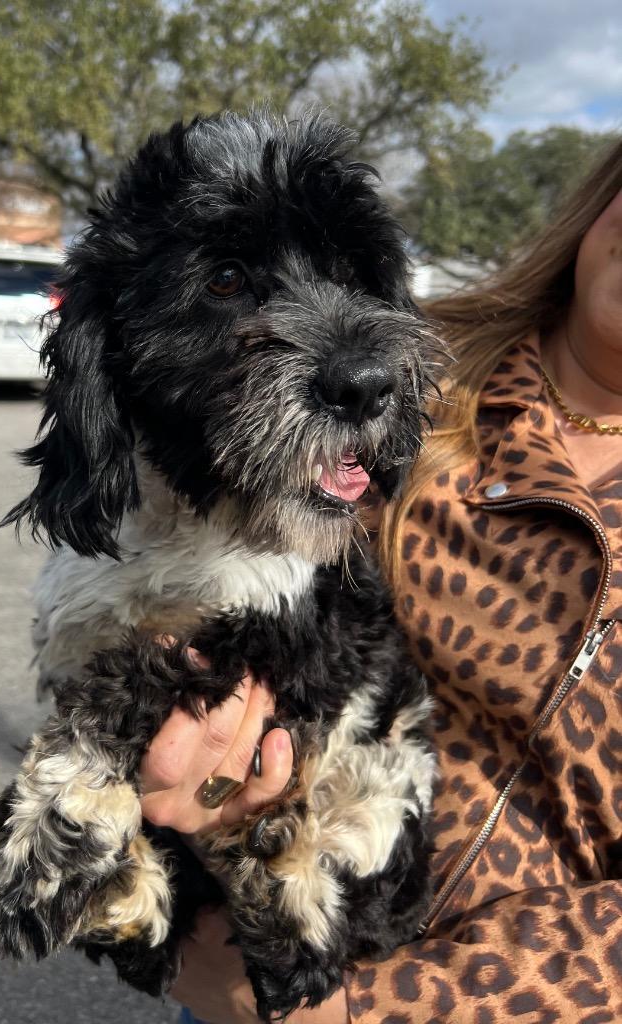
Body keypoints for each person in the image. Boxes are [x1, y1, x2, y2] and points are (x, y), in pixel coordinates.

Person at [139, 139, 622, 1023]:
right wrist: (166, 804)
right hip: (258, 941)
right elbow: (162, 578)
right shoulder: (383, 354)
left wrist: (366, 1012)